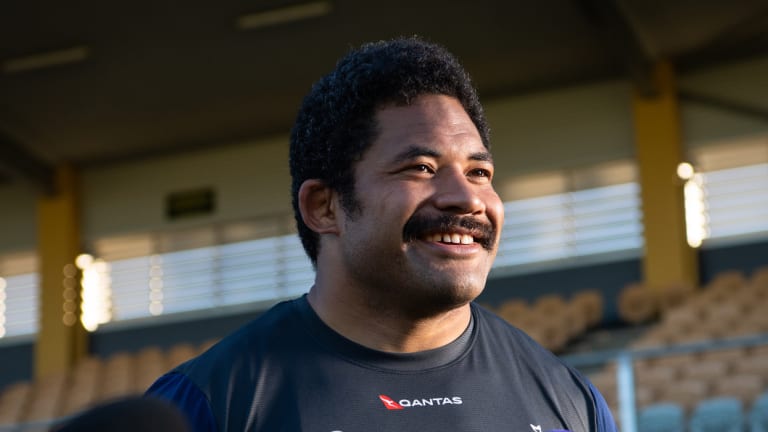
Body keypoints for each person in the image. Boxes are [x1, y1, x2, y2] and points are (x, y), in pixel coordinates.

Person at [146, 36, 618, 432]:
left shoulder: (571, 400)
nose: (468, 198)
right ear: (323, 207)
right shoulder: (209, 403)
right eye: (421, 167)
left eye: (479, 172)